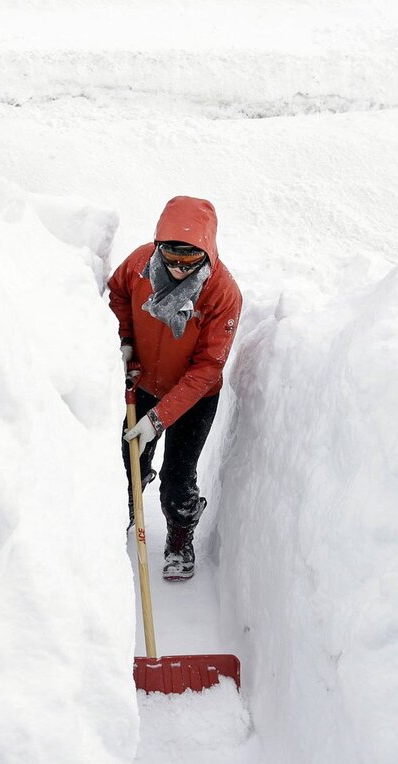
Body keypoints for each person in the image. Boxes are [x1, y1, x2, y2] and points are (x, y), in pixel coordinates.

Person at [108, 196, 242, 580]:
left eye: (190, 261)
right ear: (157, 247)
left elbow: (208, 366)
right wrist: (124, 340)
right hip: (143, 381)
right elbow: (117, 294)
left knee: (178, 476)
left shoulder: (222, 293)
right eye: (171, 258)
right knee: (129, 458)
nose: (179, 269)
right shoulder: (139, 266)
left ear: (207, 254)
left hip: (195, 397)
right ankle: (128, 510)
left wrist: (159, 418)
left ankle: (180, 538)